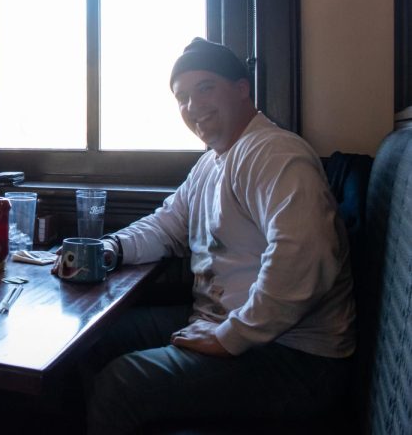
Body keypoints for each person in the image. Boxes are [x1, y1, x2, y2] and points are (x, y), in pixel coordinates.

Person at [63, 38, 356, 433]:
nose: (192, 106)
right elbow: (166, 226)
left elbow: (305, 255)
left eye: (205, 88)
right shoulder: (211, 163)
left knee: (123, 383)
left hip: (294, 356)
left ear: (241, 89)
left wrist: (230, 337)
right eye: (181, 97)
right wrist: (109, 248)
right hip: (221, 324)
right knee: (93, 340)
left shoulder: (273, 153)